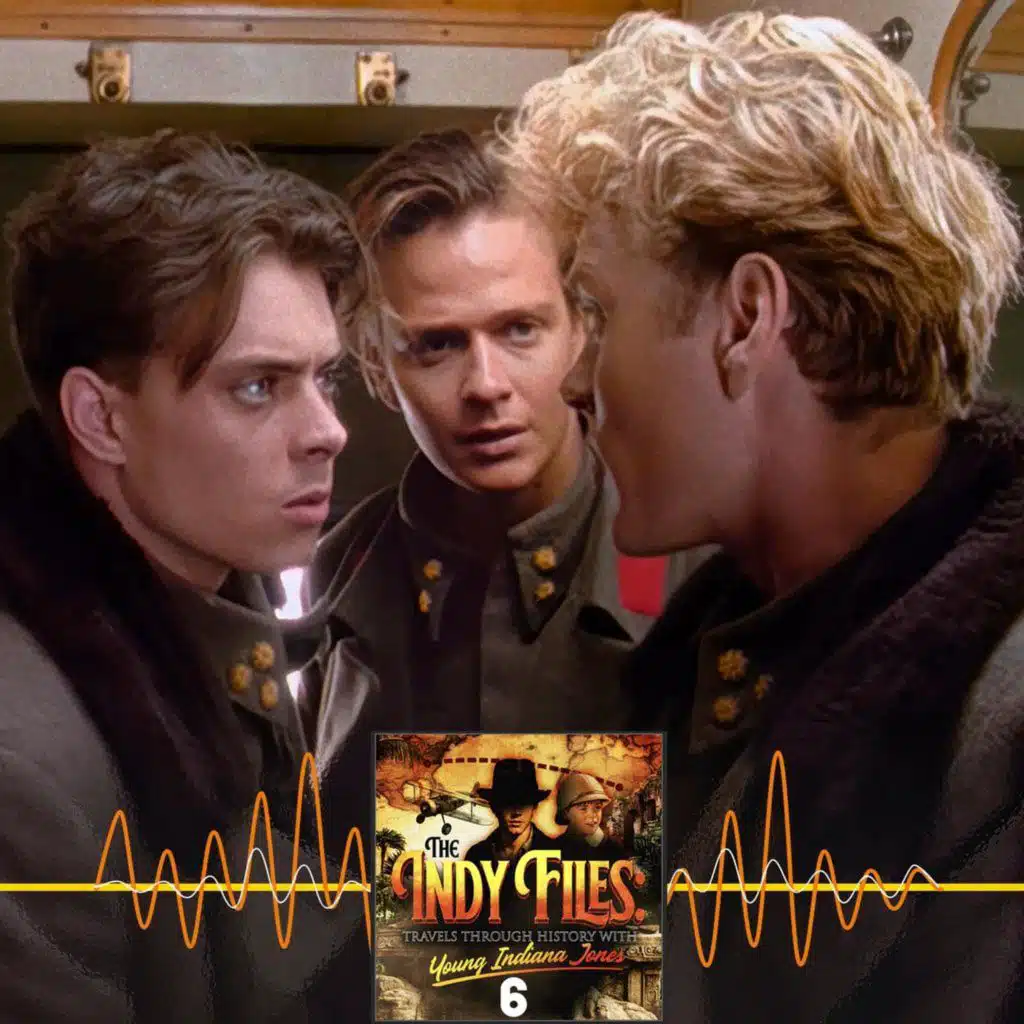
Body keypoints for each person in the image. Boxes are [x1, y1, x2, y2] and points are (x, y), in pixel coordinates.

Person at [493, 10, 1024, 1023]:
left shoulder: (996, 725)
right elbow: (464, 966)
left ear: (746, 317)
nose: (572, 380)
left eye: (598, 312)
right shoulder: (724, 650)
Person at [0, 130, 367, 1022]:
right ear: (101, 419)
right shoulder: (24, 764)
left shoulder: (218, 590)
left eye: (326, 379)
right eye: (259, 387)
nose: (329, 431)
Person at [554, 771, 623, 859]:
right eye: (583, 808)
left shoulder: (614, 849)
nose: (592, 815)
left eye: (598, 807)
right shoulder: (554, 849)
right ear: (566, 813)